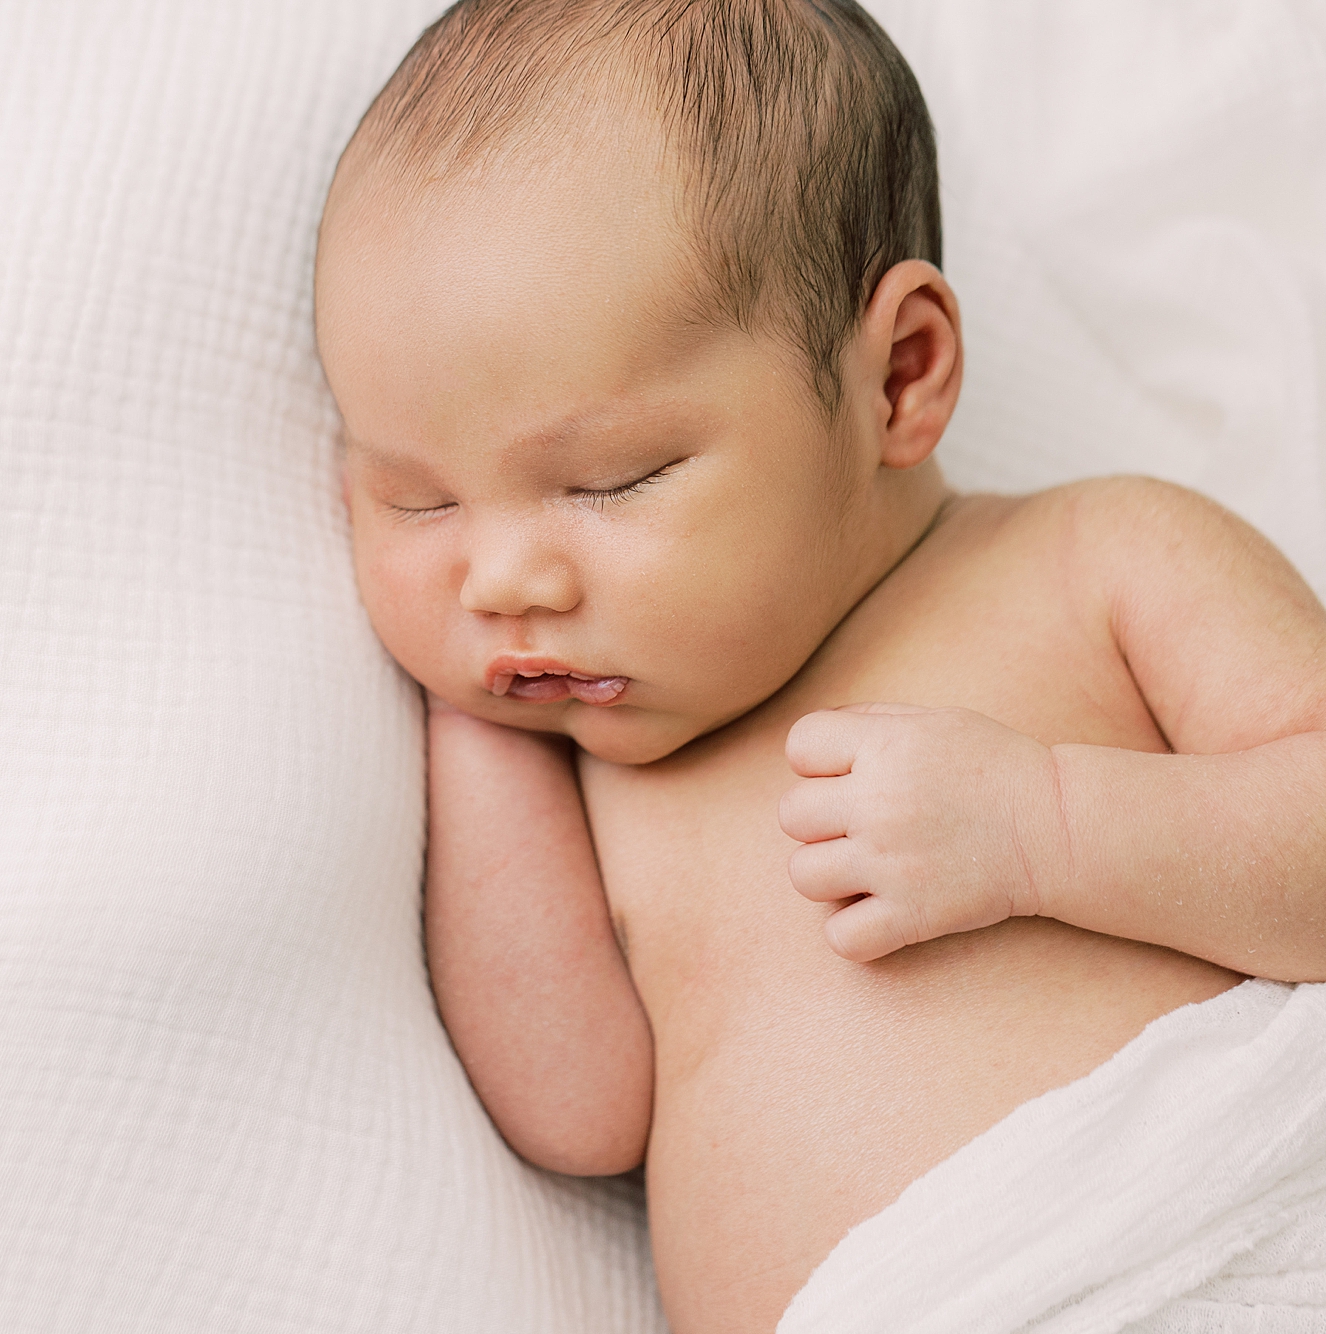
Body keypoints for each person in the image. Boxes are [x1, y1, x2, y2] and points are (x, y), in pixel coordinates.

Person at [310, 1, 1326, 1329]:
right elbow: (576, 1108)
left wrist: (1050, 826)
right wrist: (467, 725)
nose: (503, 582)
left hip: (1214, 1234)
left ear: (899, 374)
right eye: (419, 504)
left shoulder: (1098, 557)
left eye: (614, 479)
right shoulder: (600, 774)